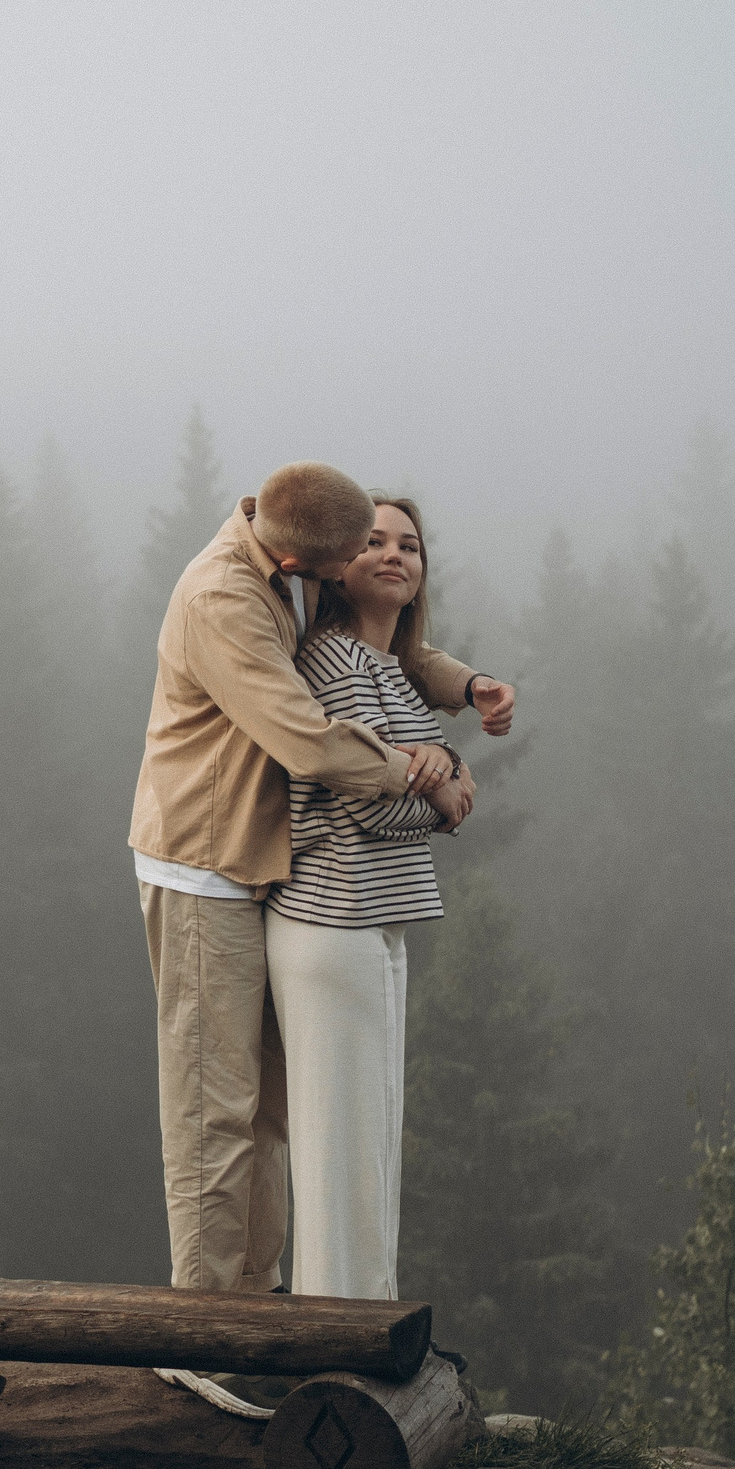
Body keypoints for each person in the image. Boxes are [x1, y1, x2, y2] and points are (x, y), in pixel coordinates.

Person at [129, 463, 513, 1414]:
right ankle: (201, 1339)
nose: (372, 563)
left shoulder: (289, 551)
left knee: (264, 1111)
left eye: (398, 546)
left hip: (260, 867)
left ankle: (260, 1314)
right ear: (312, 563)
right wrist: (427, 776)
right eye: (357, 554)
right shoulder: (225, 599)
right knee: (213, 1111)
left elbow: (396, 647)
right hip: (204, 865)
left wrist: (462, 689)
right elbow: (306, 740)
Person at [267, 495, 458, 1307]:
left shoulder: (389, 670)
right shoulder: (337, 661)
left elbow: (429, 764)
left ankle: (360, 1323)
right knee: (344, 1146)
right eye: (373, 542)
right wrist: (444, 800)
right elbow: (370, 803)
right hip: (332, 919)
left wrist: (442, 773)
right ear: (339, 566)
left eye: (409, 546)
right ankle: (342, 1336)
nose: (393, 555)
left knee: (366, 1139)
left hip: (371, 923)